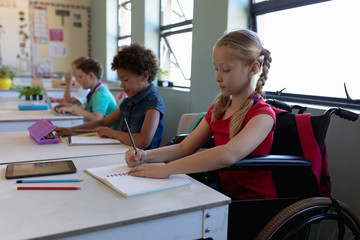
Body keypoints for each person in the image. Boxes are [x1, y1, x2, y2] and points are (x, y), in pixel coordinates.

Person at [125, 29, 277, 200]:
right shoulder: (219, 109)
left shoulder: (263, 116)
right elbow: (184, 147)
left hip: (254, 201)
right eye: (216, 69)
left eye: (226, 70)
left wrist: (164, 170)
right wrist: (145, 155)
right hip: (222, 193)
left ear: (253, 68)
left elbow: (228, 154)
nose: (217, 77)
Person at [55, 43, 165, 150]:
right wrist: (71, 130)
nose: (122, 85)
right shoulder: (129, 101)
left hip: (144, 161)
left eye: (125, 79)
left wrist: (112, 133)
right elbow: (103, 122)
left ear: (144, 76)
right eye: (121, 80)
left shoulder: (153, 102)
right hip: (124, 152)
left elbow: (143, 141)